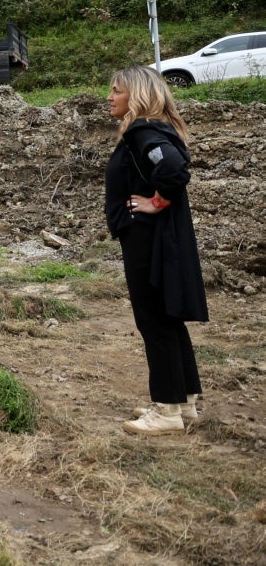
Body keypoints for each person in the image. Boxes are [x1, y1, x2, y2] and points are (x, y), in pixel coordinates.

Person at [105, 65, 207, 436]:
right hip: (157, 237)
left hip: (147, 238)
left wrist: (158, 202)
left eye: (116, 90)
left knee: (153, 320)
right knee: (168, 318)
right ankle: (184, 402)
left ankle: (165, 411)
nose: (110, 97)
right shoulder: (152, 130)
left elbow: (175, 170)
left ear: (137, 94)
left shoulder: (143, 131)